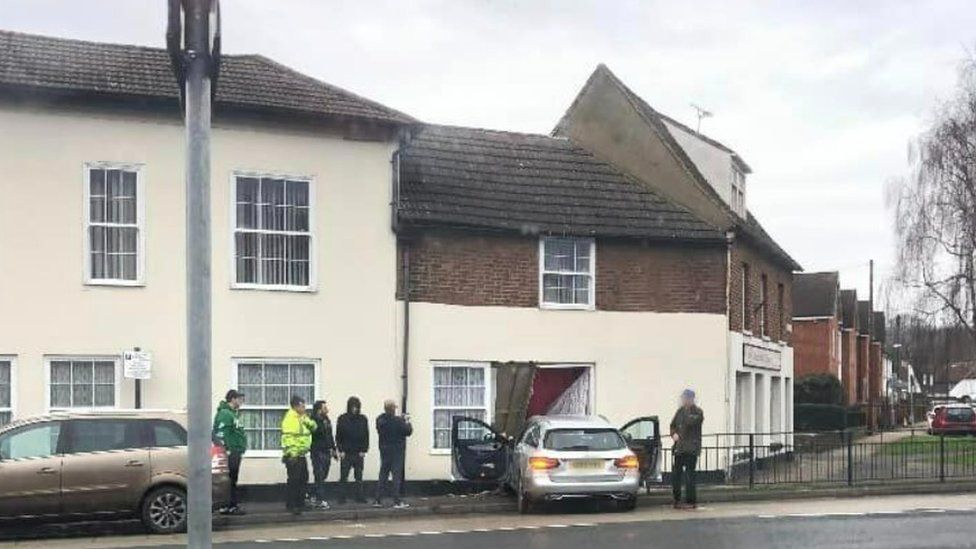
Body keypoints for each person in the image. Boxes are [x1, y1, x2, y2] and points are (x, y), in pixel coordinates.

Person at [212, 389, 247, 515]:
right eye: (239, 399)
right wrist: (226, 450)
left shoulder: (233, 414)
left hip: (235, 451)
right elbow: (221, 433)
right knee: (230, 479)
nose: (241, 401)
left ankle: (230, 505)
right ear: (232, 399)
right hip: (230, 452)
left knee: (232, 479)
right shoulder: (226, 414)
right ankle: (229, 506)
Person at [280, 395, 316, 515]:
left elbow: (313, 427)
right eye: (302, 406)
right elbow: (289, 438)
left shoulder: (302, 417)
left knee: (303, 479)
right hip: (293, 455)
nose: (304, 408)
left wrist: (306, 420)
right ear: (296, 406)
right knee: (294, 480)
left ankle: (300, 503)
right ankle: (292, 504)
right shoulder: (290, 418)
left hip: (301, 454)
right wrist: (293, 454)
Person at [374, 399, 413, 509]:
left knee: (383, 474)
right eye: (394, 408)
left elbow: (381, 425)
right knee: (396, 476)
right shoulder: (398, 421)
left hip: (384, 450)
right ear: (392, 409)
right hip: (397, 450)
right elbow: (408, 431)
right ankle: (397, 501)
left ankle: (378, 499)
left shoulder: (380, 420)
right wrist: (407, 421)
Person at [669, 389, 704, 510]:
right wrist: (673, 434)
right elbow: (672, 425)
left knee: (690, 475)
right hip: (679, 448)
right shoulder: (679, 411)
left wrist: (687, 410)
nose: (683, 400)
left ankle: (690, 500)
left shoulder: (697, 412)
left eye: (686, 398)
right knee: (676, 475)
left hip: (691, 449)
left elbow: (690, 422)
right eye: (683, 398)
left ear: (691, 399)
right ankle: (677, 499)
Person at [335, 396, 369, 504]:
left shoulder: (363, 419)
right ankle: (341, 497)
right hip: (346, 452)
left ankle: (359, 496)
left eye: (356, 407)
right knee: (343, 477)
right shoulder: (342, 418)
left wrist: (364, 450)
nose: (355, 409)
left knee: (359, 476)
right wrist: (340, 450)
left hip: (358, 452)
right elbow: (338, 436)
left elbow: (366, 435)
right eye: (353, 407)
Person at [308, 400, 338, 509]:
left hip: (326, 451)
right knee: (319, 475)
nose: (327, 410)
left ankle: (311, 495)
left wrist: (334, 449)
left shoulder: (327, 420)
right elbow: (315, 434)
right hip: (317, 451)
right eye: (324, 408)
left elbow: (330, 436)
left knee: (324, 475)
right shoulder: (313, 421)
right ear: (319, 410)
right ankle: (320, 500)